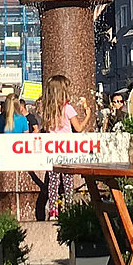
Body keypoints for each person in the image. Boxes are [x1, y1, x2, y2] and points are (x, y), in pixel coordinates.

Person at [37, 74, 89, 220]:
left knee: (52, 182)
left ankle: (53, 210)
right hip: (67, 149)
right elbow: (78, 128)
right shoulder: (68, 109)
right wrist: (87, 116)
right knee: (67, 181)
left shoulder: (48, 110)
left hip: (53, 149)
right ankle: (69, 208)